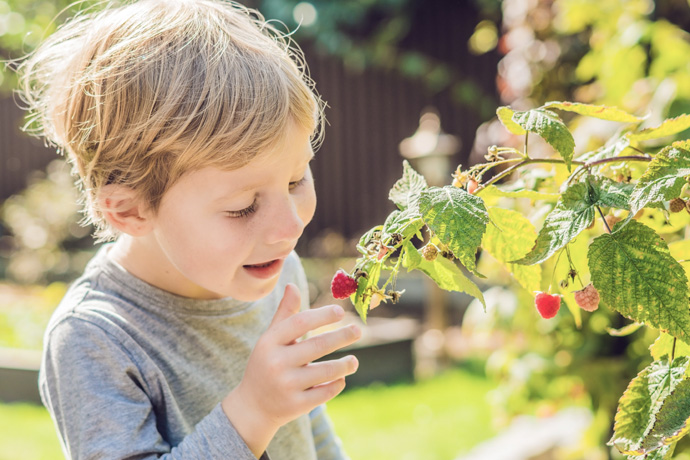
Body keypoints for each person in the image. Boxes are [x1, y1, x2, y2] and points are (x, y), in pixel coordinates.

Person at [15, 0, 362, 458]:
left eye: (296, 180)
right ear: (130, 211)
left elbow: (306, 424)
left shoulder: (278, 272)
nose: (289, 227)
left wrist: (285, 399)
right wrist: (254, 411)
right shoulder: (94, 339)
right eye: (242, 207)